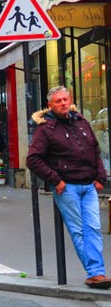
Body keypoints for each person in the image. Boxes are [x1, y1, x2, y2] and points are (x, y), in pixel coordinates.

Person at [27, 86, 111, 289]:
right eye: (58, 101)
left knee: (93, 228)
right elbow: (33, 159)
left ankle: (96, 273)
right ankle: (95, 272)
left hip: (88, 185)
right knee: (79, 231)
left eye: (65, 99)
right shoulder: (45, 128)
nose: (63, 103)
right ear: (50, 105)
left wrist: (100, 176)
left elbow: (94, 148)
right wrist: (56, 180)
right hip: (67, 188)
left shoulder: (81, 121)